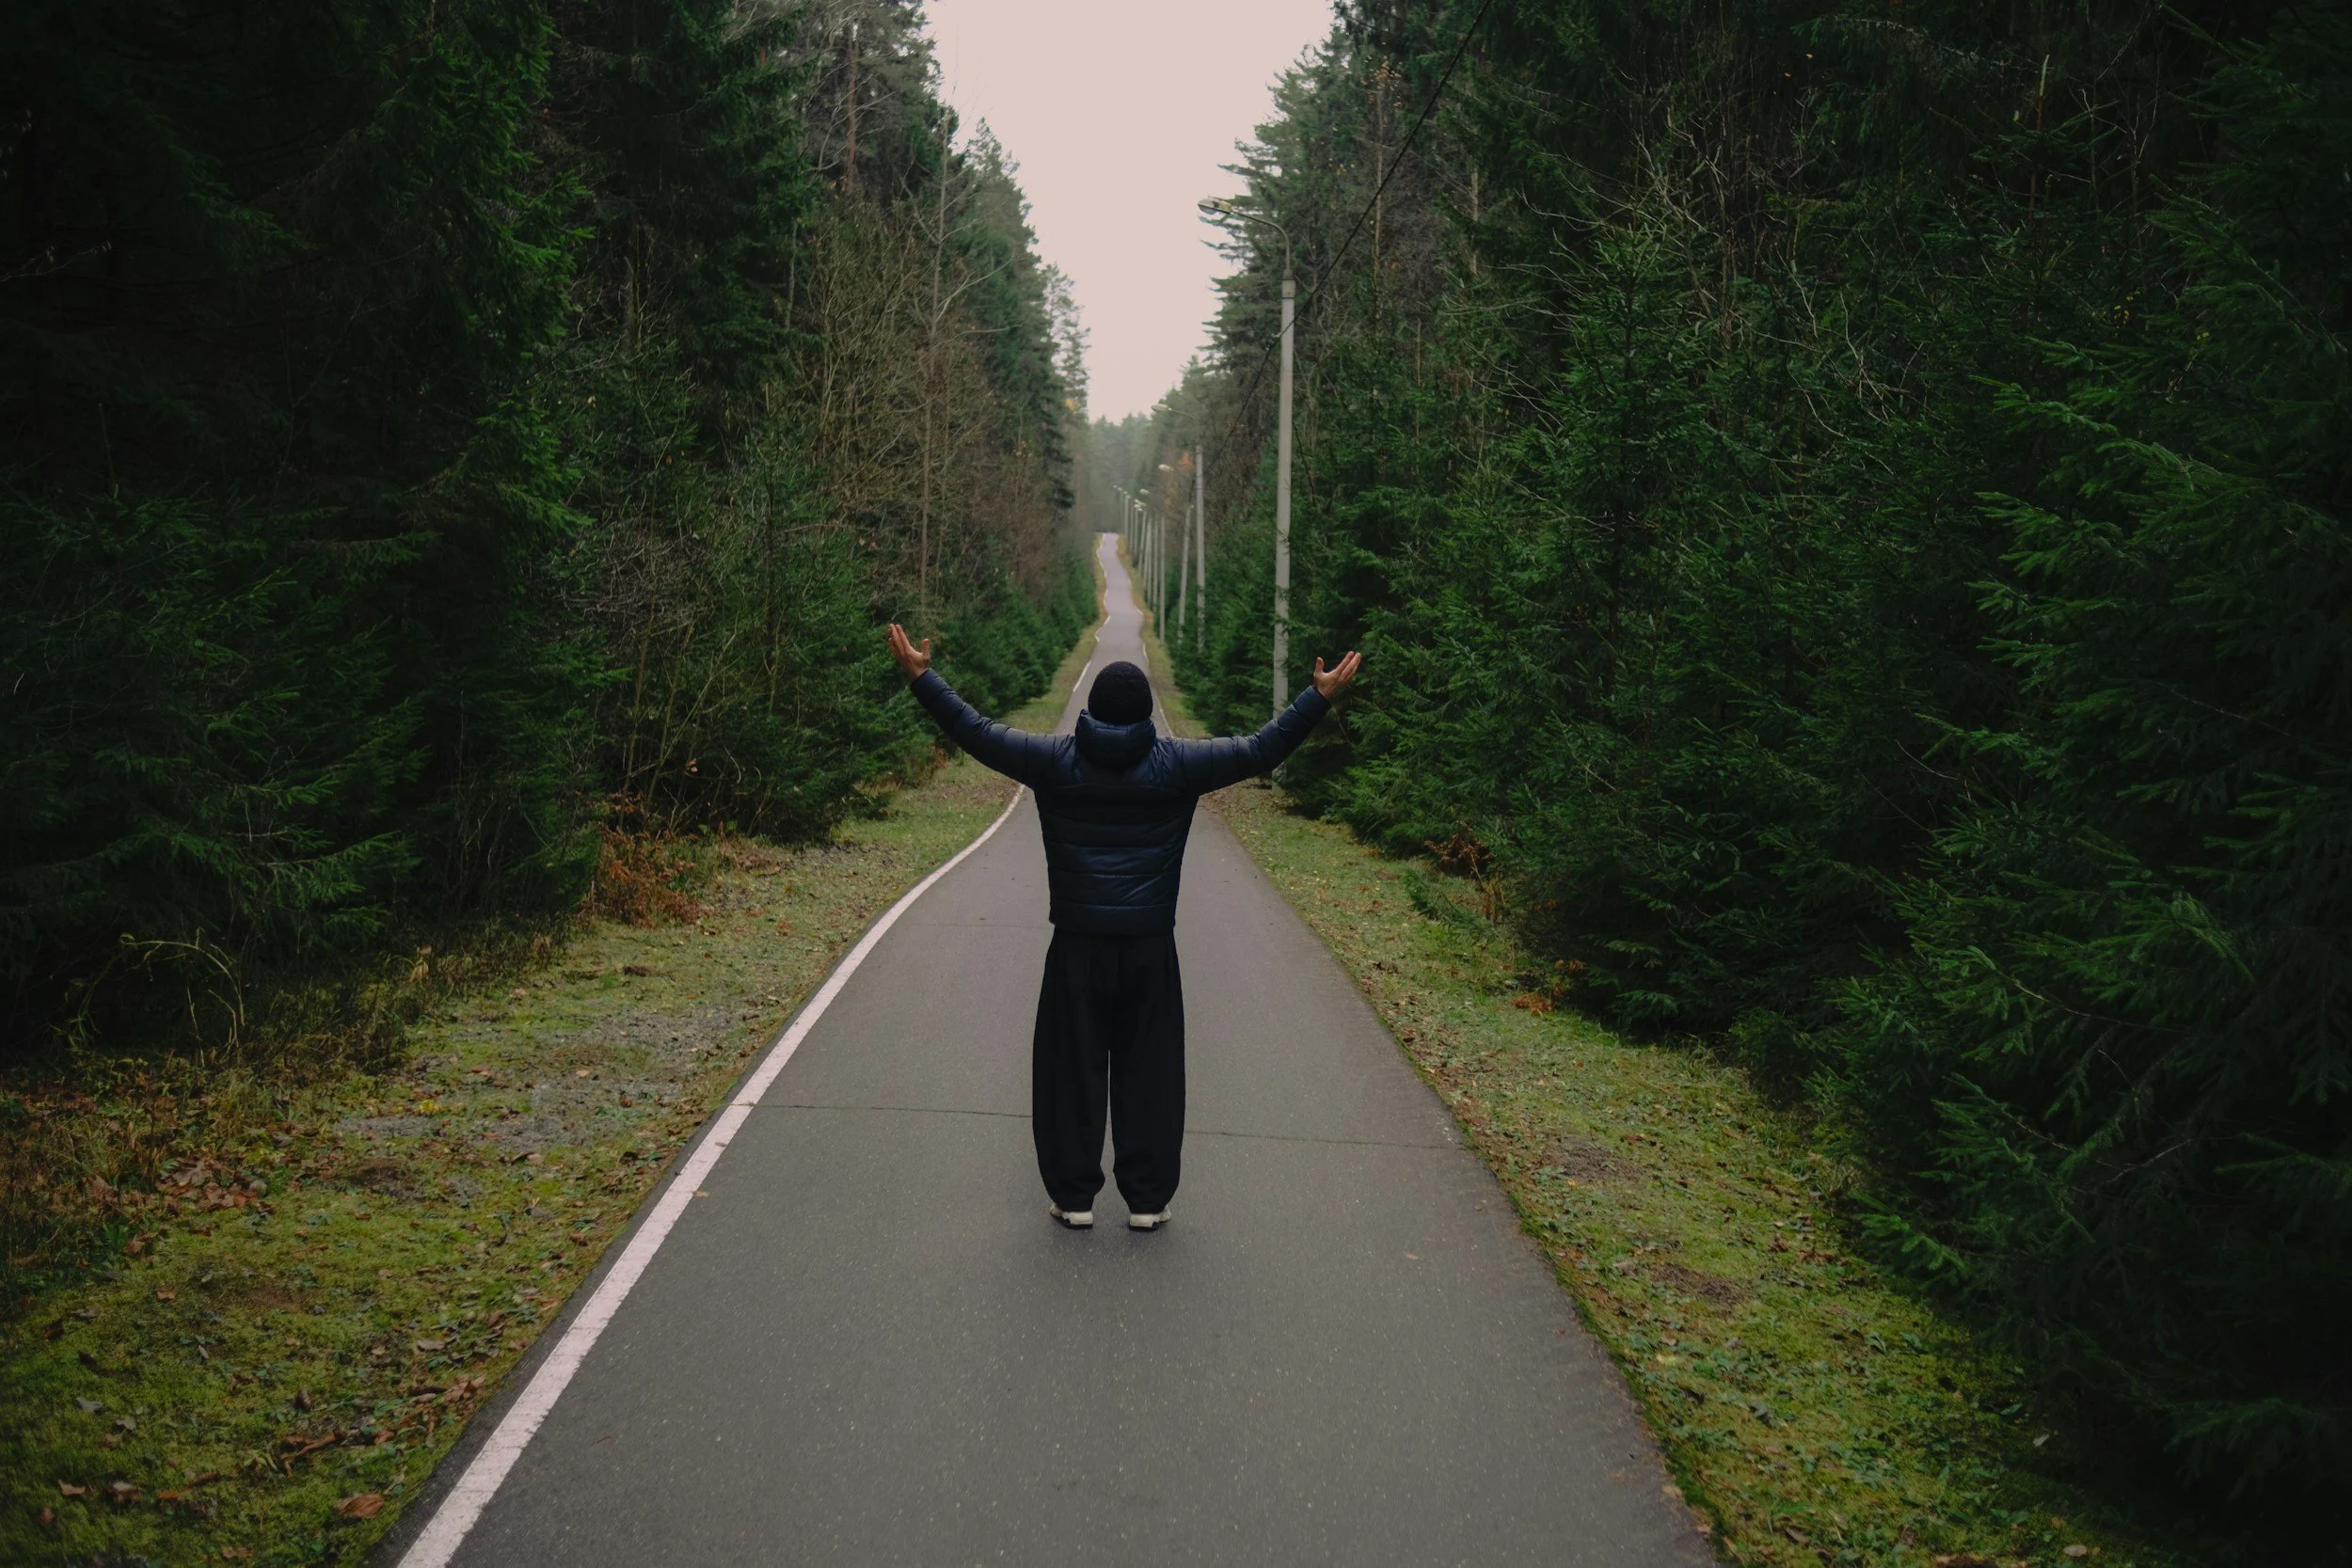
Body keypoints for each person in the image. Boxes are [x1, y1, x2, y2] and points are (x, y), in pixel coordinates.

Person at [886, 623, 1361, 1231]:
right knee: (1152, 1070)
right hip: (1148, 946)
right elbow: (1260, 749)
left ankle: (1075, 1196)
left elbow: (975, 732)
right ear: (1146, 716)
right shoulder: (1178, 765)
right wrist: (1317, 697)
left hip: (1077, 945)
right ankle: (1146, 1198)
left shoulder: (1056, 760)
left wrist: (923, 679)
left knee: (1069, 1070)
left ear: (1089, 712)